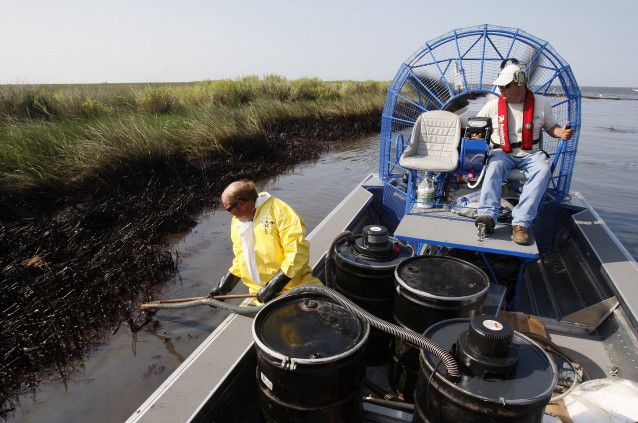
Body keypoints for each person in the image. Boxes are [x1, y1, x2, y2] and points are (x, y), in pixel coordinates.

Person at [474, 60, 573, 245]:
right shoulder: (493, 105)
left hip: (531, 153)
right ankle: (487, 215)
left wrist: (561, 133)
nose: (501, 90)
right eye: (499, 87)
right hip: (502, 152)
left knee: (543, 169)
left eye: (505, 86)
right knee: (493, 166)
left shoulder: (541, 103)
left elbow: (552, 127)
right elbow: (475, 126)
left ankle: (521, 223)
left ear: (520, 83)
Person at [208, 179, 322, 304]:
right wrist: (223, 287)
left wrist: (273, 286)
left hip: (294, 289)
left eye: (229, 209)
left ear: (241, 204)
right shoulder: (237, 222)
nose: (230, 214)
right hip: (261, 295)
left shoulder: (279, 211)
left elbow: (297, 253)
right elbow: (241, 259)